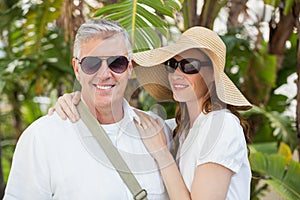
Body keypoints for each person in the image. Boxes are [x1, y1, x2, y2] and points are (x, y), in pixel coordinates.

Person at [49, 26, 252, 199]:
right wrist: (76, 101)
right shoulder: (180, 130)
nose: (177, 74)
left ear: (211, 75)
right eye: (173, 65)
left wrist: (162, 154)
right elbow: (130, 116)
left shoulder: (221, 125)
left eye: (189, 66)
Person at [4, 19, 172, 200]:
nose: (104, 74)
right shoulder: (42, 138)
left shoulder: (160, 131)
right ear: (77, 68)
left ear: (129, 68)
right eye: (92, 63)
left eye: (117, 63)